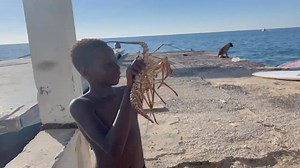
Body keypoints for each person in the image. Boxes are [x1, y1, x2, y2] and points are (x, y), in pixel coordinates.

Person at [69, 39, 146, 168]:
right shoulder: (82, 105)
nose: (116, 67)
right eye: (107, 64)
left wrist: (142, 74)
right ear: (85, 71)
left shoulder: (124, 93)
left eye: (115, 61)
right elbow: (114, 149)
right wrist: (129, 88)